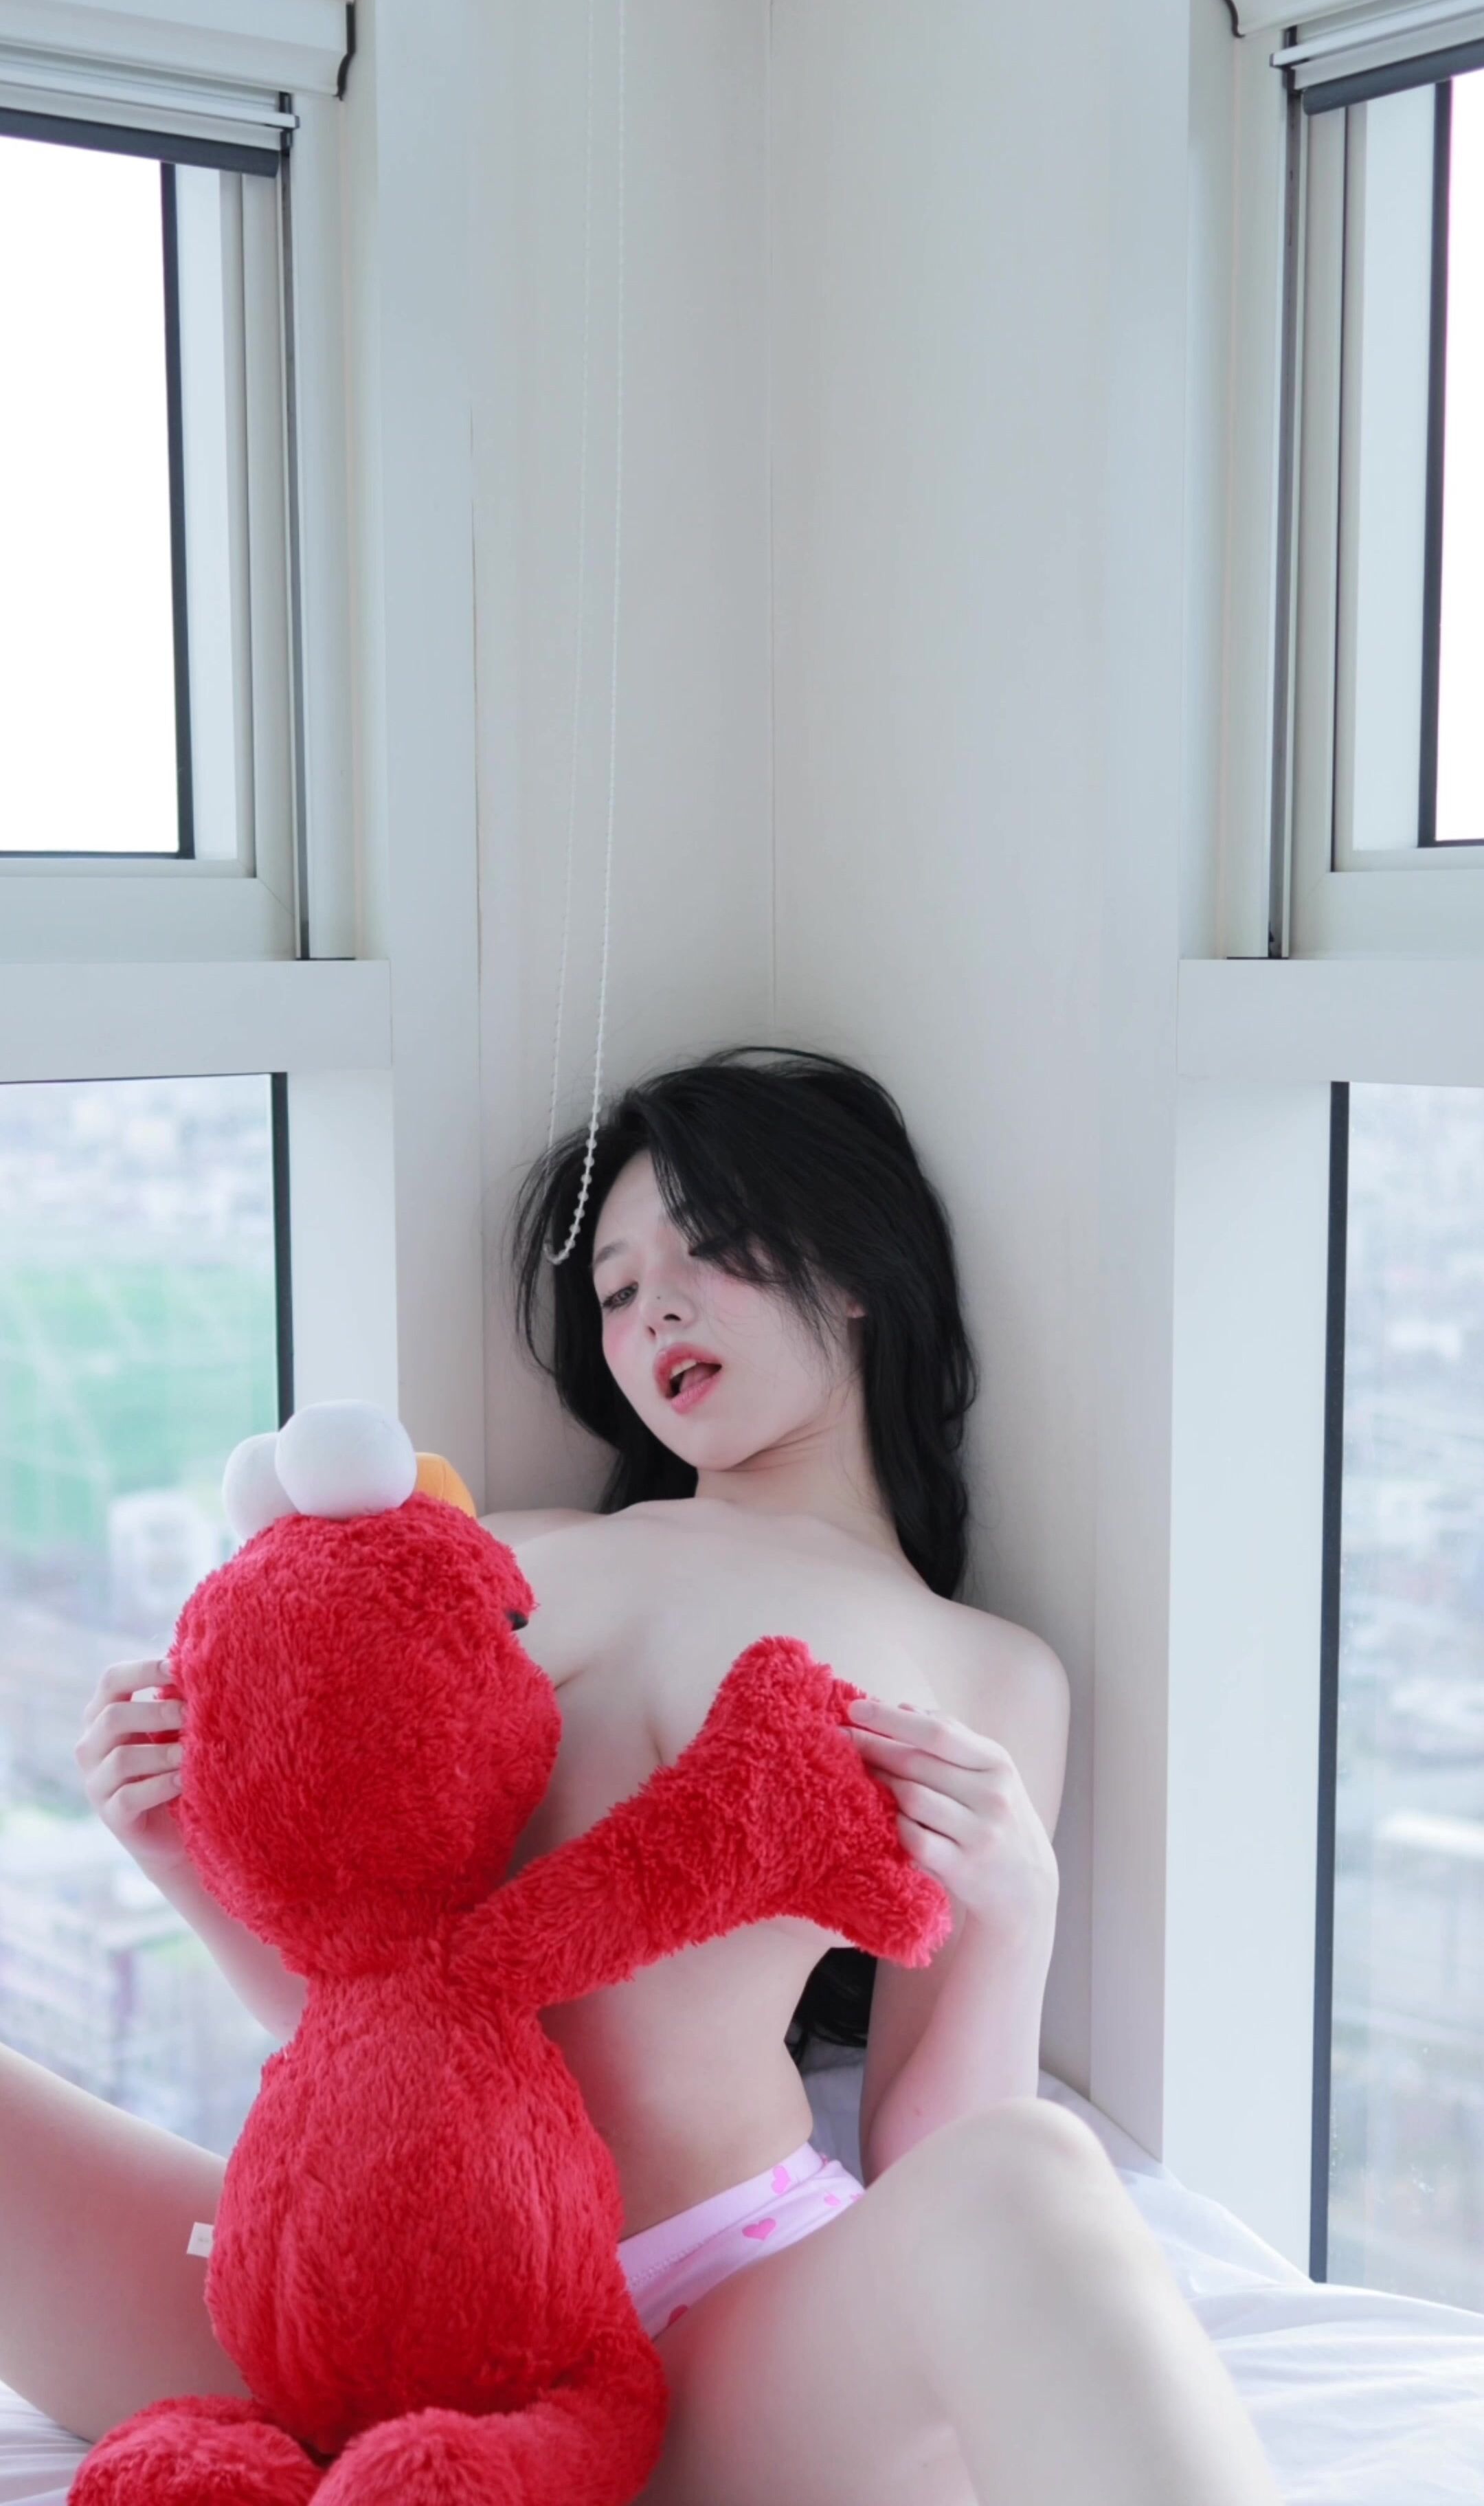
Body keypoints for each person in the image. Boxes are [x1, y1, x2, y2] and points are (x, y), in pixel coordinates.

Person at [1, 1044, 1281, 2506]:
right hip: (368, 2282)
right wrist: (176, 1848)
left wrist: (1013, 1913)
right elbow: (375, 2004)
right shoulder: (499, 1559)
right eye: (615, 1290)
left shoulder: (991, 1668)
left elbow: (938, 2158)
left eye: (709, 1249)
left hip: (703, 2327)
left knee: (1032, 2180)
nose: (654, 1306)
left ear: (858, 1269)